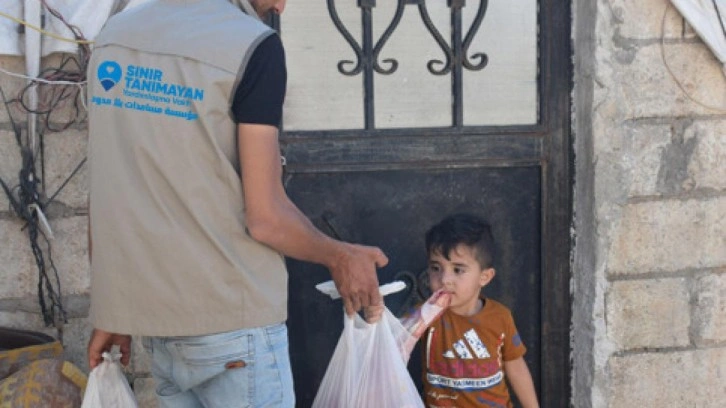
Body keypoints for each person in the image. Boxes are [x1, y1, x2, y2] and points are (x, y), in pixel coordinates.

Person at [85, 0, 387, 407]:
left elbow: (110, 185)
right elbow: (266, 219)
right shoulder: (252, 47)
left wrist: (113, 310)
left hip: (159, 326)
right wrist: (340, 256)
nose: (281, 6)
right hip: (234, 325)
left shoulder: (112, 38)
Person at [420, 213, 539, 408]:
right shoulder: (425, 315)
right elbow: (394, 339)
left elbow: (516, 367)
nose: (444, 280)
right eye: (436, 268)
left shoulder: (500, 317)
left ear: (484, 277)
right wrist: (376, 317)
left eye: (458, 270)